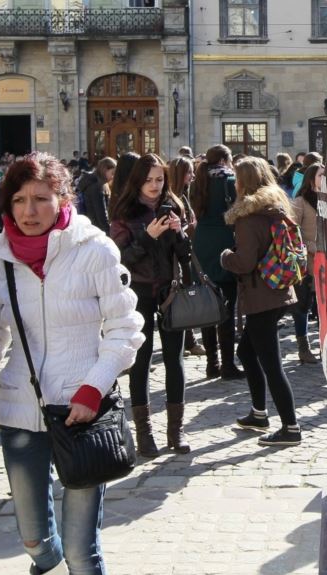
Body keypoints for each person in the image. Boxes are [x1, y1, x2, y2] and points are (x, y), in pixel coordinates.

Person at [0, 152, 145, 575]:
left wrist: (93, 387)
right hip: (21, 408)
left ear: (63, 199)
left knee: (81, 552)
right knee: (34, 540)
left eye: (40, 198)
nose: (29, 211)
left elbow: (126, 329)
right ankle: (43, 563)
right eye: (18, 200)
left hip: (82, 411)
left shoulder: (94, 250)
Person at [110, 153, 193, 457]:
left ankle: (176, 430)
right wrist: (147, 237)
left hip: (171, 290)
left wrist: (179, 232)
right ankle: (144, 434)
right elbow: (119, 260)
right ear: (138, 181)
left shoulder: (174, 205)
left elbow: (185, 255)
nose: (155, 186)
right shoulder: (124, 210)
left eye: (159, 179)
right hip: (140, 291)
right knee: (141, 362)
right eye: (149, 180)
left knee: (175, 359)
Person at [221, 157, 302, 446]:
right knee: (246, 353)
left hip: (261, 295)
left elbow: (244, 263)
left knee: (272, 365)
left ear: (241, 182)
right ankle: (258, 413)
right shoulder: (275, 209)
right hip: (279, 290)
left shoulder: (248, 217)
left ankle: (290, 428)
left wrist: (226, 257)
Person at [190, 145, 244, 380]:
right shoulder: (228, 179)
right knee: (227, 306)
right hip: (224, 240)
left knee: (208, 303)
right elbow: (237, 210)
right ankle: (228, 364)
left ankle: (212, 363)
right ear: (225, 159)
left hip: (202, 241)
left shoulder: (198, 180)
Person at [168, 156, 206, 358]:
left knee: (187, 294)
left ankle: (189, 340)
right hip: (177, 255)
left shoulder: (184, 195)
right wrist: (187, 227)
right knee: (181, 296)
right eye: (189, 172)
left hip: (187, 250)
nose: (192, 176)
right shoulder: (173, 198)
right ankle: (187, 341)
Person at [291, 162, 322, 364]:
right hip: (306, 264)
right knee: (302, 307)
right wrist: (310, 246)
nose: (324, 179)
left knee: (322, 309)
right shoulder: (300, 202)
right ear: (312, 179)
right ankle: (303, 347)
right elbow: (293, 231)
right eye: (321, 175)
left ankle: (324, 344)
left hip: (326, 264)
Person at [79, 156, 116, 233]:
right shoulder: (97, 187)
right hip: (97, 229)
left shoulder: (93, 183)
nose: (113, 177)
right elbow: (101, 215)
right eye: (112, 173)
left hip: (92, 227)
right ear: (105, 170)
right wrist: (109, 234)